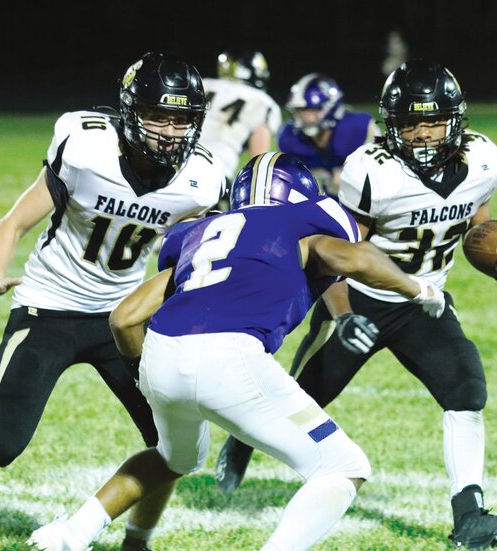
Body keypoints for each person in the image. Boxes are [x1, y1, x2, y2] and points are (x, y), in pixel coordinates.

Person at [25, 151, 446, 551]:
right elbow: (355, 258)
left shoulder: (200, 234)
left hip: (163, 355)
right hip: (230, 356)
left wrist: (145, 378)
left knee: (174, 457)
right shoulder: (303, 224)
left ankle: (70, 532)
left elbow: (124, 318)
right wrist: (420, 288)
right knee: (344, 466)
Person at [216, 60, 497, 549]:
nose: (423, 134)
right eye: (410, 123)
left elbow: (476, 229)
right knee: (305, 395)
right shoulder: (373, 170)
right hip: (362, 297)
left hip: (423, 301)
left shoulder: (483, 160)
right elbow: (335, 255)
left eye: (433, 121)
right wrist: (344, 318)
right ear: (392, 125)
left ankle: (469, 515)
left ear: (456, 120)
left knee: (466, 387)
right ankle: (241, 441)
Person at [0, 51, 225, 551]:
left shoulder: (203, 178)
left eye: (182, 119)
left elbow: (193, 255)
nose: (170, 132)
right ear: (129, 110)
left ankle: (138, 539)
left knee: (174, 443)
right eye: (158, 116)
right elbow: (16, 222)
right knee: (2, 442)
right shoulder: (86, 147)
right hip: (49, 306)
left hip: (123, 319)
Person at [279, 74, 379, 197]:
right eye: (302, 110)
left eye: (314, 110)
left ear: (331, 107)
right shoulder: (290, 138)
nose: (307, 117)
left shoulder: (357, 128)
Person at [200, 50, 281, 197]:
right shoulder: (263, 101)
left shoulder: (203, 84)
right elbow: (260, 162)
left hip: (178, 162)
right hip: (216, 171)